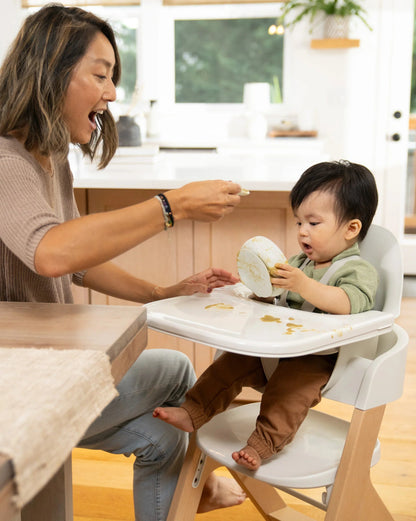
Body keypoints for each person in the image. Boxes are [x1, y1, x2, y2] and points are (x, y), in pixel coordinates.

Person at [0, 4, 247, 520]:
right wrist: (171, 206)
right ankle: (200, 488)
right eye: (101, 75)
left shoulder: (49, 156)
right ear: (51, 69)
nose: (112, 94)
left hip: (47, 362)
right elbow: (52, 253)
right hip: (17, 381)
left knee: (161, 435)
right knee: (175, 370)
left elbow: (76, 261)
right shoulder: (5, 162)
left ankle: (193, 490)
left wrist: (161, 291)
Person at [154, 160, 379, 471]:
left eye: (313, 223)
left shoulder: (357, 270)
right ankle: (194, 409)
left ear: (351, 229)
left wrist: (304, 285)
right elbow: (278, 303)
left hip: (318, 358)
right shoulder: (298, 262)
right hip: (276, 347)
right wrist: (260, 289)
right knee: (230, 362)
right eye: (298, 222)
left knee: (290, 392)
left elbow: (349, 304)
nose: (302, 232)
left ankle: (263, 442)